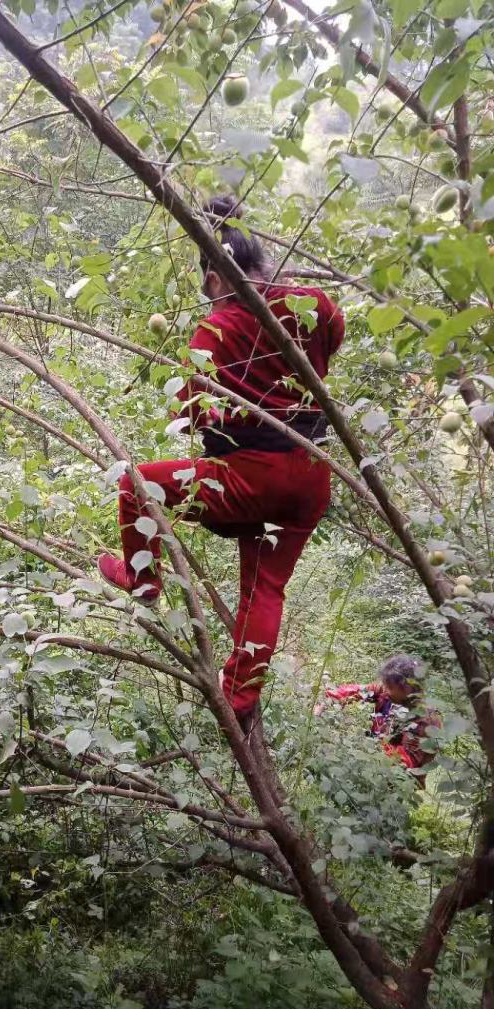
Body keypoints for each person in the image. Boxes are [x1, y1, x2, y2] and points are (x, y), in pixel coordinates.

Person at [97, 194, 345, 721]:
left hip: (251, 476)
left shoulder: (215, 330)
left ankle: (143, 581)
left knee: (136, 484)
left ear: (213, 279)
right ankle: (240, 694)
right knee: (265, 587)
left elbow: (190, 411)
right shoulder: (314, 304)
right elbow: (334, 338)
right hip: (310, 475)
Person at [321, 654, 442, 783]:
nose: (384, 689)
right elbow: (358, 691)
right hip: (374, 760)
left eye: (389, 687)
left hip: (398, 782)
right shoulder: (388, 693)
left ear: (407, 688)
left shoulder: (427, 722)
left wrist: (362, 748)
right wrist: (327, 700)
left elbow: (404, 765)